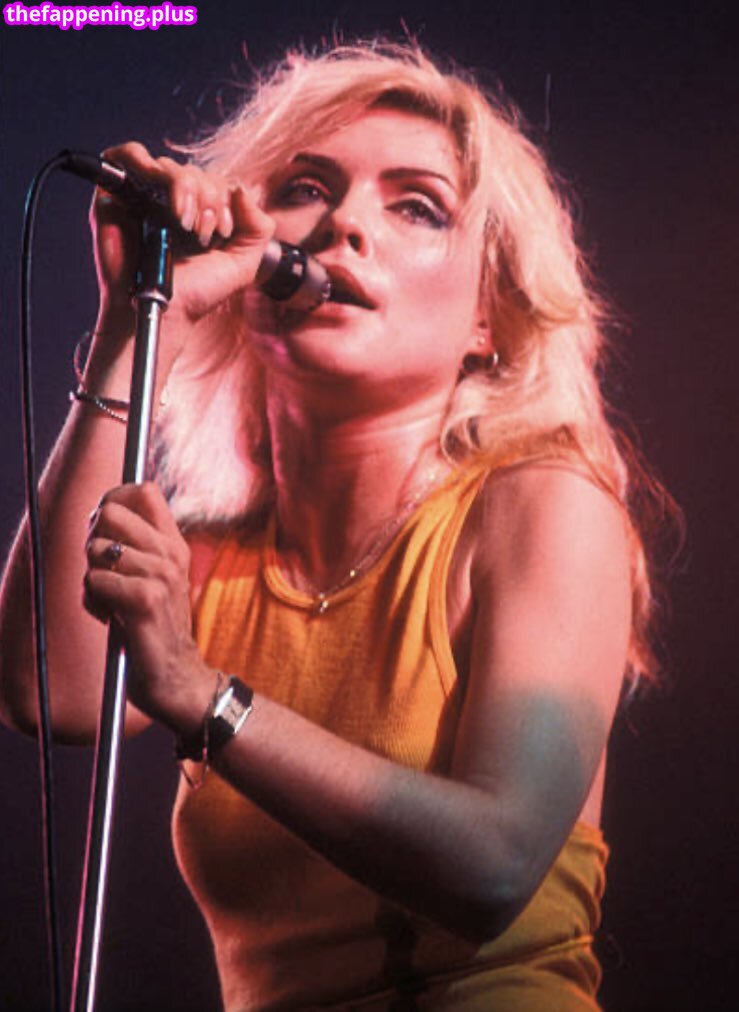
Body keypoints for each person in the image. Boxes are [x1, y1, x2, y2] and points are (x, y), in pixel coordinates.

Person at [0, 41, 664, 1010]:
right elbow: (47, 691)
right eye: (306, 189)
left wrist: (204, 696)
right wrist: (135, 328)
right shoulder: (215, 561)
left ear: (487, 314)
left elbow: (494, 866)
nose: (345, 223)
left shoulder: (540, 506)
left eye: (416, 206)